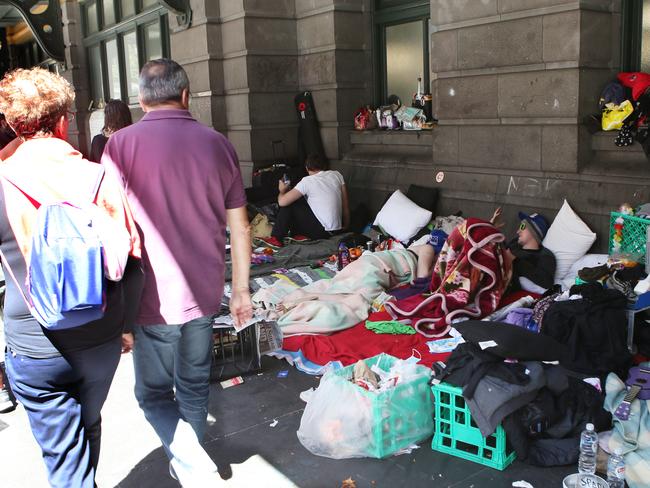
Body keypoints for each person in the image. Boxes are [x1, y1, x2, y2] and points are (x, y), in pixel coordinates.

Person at [101, 58, 253, 486]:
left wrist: (114, 309)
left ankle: (193, 467)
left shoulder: (120, 146)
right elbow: (240, 226)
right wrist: (240, 291)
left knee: (152, 395)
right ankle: (189, 463)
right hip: (203, 294)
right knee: (192, 388)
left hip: (151, 299)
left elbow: (112, 230)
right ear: (186, 95)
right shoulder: (218, 143)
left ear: (141, 99)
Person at [0, 67, 142, 487]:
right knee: (89, 419)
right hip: (99, 333)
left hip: (33, 343)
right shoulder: (98, 176)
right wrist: (127, 327)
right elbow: (133, 264)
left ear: (11, 122)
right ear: (64, 121)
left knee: (64, 454)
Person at [258, 153, 350, 248]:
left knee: (290, 205)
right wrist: (346, 225)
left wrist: (282, 191)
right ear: (325, 166)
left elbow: (282, 202)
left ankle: (276, 238)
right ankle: (299, 235)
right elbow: (345, 205)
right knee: (301, 201)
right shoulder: (337, 175)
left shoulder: (307, 181)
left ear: (307, 168)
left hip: (322, 232)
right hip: (336, 230)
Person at [492, 207, 556, 294]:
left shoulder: (544, 256)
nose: (518, 231)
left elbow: (547, 282)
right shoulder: (514, 244)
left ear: (534, 231)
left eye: (522, 226)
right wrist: (491, 230)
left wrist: (514, 260)